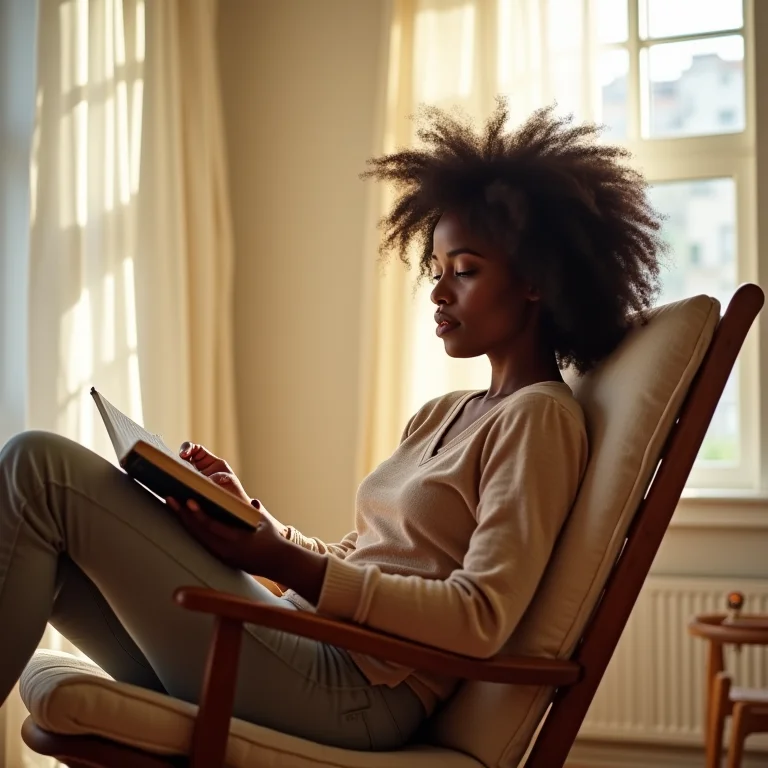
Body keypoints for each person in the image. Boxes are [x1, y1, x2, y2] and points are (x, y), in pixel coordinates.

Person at [0, 100, 664, 752]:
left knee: (40, 469)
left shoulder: (539, 418)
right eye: (435, 271)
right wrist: (254, 522)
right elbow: (358, 562)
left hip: (355, 693)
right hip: (304, 646)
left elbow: (481, 618)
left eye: (463, 271)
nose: (437, 292)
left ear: (536, 283)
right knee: (50, 524)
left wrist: (279, 559)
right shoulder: (444, 412)